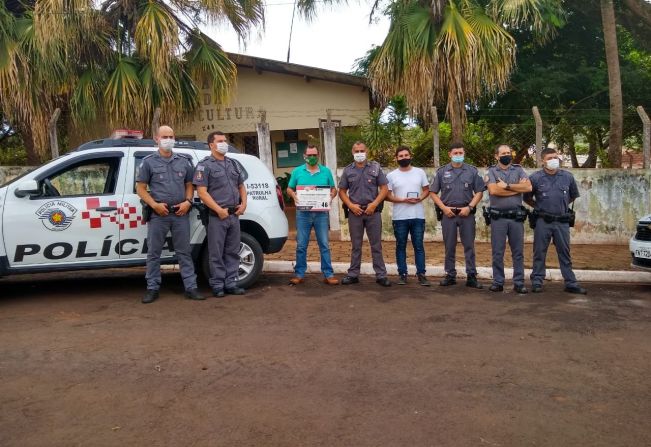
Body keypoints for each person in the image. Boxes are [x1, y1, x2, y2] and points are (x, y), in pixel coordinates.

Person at [136, 125, 204, 303]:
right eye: (164, 136)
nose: (168, 139)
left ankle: (191, 287)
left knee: (184, 252)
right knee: (154, 253)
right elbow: (140, 188)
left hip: (180, 213)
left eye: (171, 136)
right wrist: (154, 205)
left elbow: (190, 184)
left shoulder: (183, 161)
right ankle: (152, 288)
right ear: (156, 139)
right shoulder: (148, 162)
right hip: (159, 213)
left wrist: (188, 202)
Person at [525, 147, 587, 294]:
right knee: (539, 251)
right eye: (549, 158)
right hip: (543, 221)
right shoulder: (535, 178)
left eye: (555, 157)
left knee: (564, 252)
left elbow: (572, 196)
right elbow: (527, 198)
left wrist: (561, 206)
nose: (553, 160)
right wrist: (539, 207)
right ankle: (537, 281)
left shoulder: (567, 177)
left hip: (562, 221)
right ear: (542, 161)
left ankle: (570, 283)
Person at [194, 131, 247, 297]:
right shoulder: (204, 165)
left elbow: (241, 186)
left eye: (225, 140)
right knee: (216, 253)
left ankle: (231, 283)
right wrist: (218, 210)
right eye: (220, 141)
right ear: (211, 145)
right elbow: (202, 192)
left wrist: (244, 204)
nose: (224, 143)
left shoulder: (233, 164)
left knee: (232, 251)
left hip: (234, 215)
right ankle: (217, 285)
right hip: (217, 216)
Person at [429, 142, 485, 288]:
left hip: (467, 214)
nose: (458, 156)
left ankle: (471, 276)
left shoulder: (472, 171)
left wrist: (470, 206)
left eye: (461, 153)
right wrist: (443, 208)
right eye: (456, 153)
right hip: (449, 214)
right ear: (450, 154)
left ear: (464, 154)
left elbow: (479, 191)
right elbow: (433, 192)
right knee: (449, 246)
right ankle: (450, 275)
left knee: (469, 246)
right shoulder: (442, 172)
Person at [339, 141, 391, 287]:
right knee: (356, 245)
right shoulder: (348, 170)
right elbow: (341, 191)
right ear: (352, 152)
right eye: (357, 151)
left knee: (376, 245)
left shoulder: (375, 168)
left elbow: (384, 188)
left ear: (366, 151)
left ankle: (381, 275)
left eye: (362, 150)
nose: (359, 153)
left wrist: (374, 204)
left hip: (372, 212)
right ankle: (353, 274)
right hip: (355, 212)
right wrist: (350, 205)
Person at [286, 145, 339, 285]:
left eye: (314, 154)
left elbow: (334, 189)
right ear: (305, 156)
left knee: (324, 245)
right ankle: (299, 274)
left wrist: (331, 196)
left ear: (318, 155)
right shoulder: (297, 171)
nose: (312, 157)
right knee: (301, 245)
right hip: (303, 214)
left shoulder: (326, 171)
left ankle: (328, 274)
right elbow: (289, 189)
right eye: (309, 155)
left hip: (321, 215)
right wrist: (293, 195)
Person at [486, 144, 532, 294]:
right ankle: (498, 281)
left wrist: (505, 186)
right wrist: (515, 188)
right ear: (496, 156)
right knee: (498, 252)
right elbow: (493, 190)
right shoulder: (492, 171)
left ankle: (519, 282)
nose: (507, 155)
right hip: (498, 218)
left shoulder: (518, 169)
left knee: (518, 252)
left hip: (516, 218)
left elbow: (528, 188)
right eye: (503, 153)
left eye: (509, 152)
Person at [386, 146, 431, 286]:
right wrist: (403, 200)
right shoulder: (391, 175)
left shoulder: (420, 172)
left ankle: (421, 274)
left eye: (406, 155)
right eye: (401, 156)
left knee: (419, 246)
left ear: (411, 156)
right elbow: (387, 196)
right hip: (399, 217)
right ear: (396, 158)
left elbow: (426, 190)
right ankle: (402, 274)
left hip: (418, 216)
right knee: (401, 246)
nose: (404, 158)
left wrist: (420, 199)